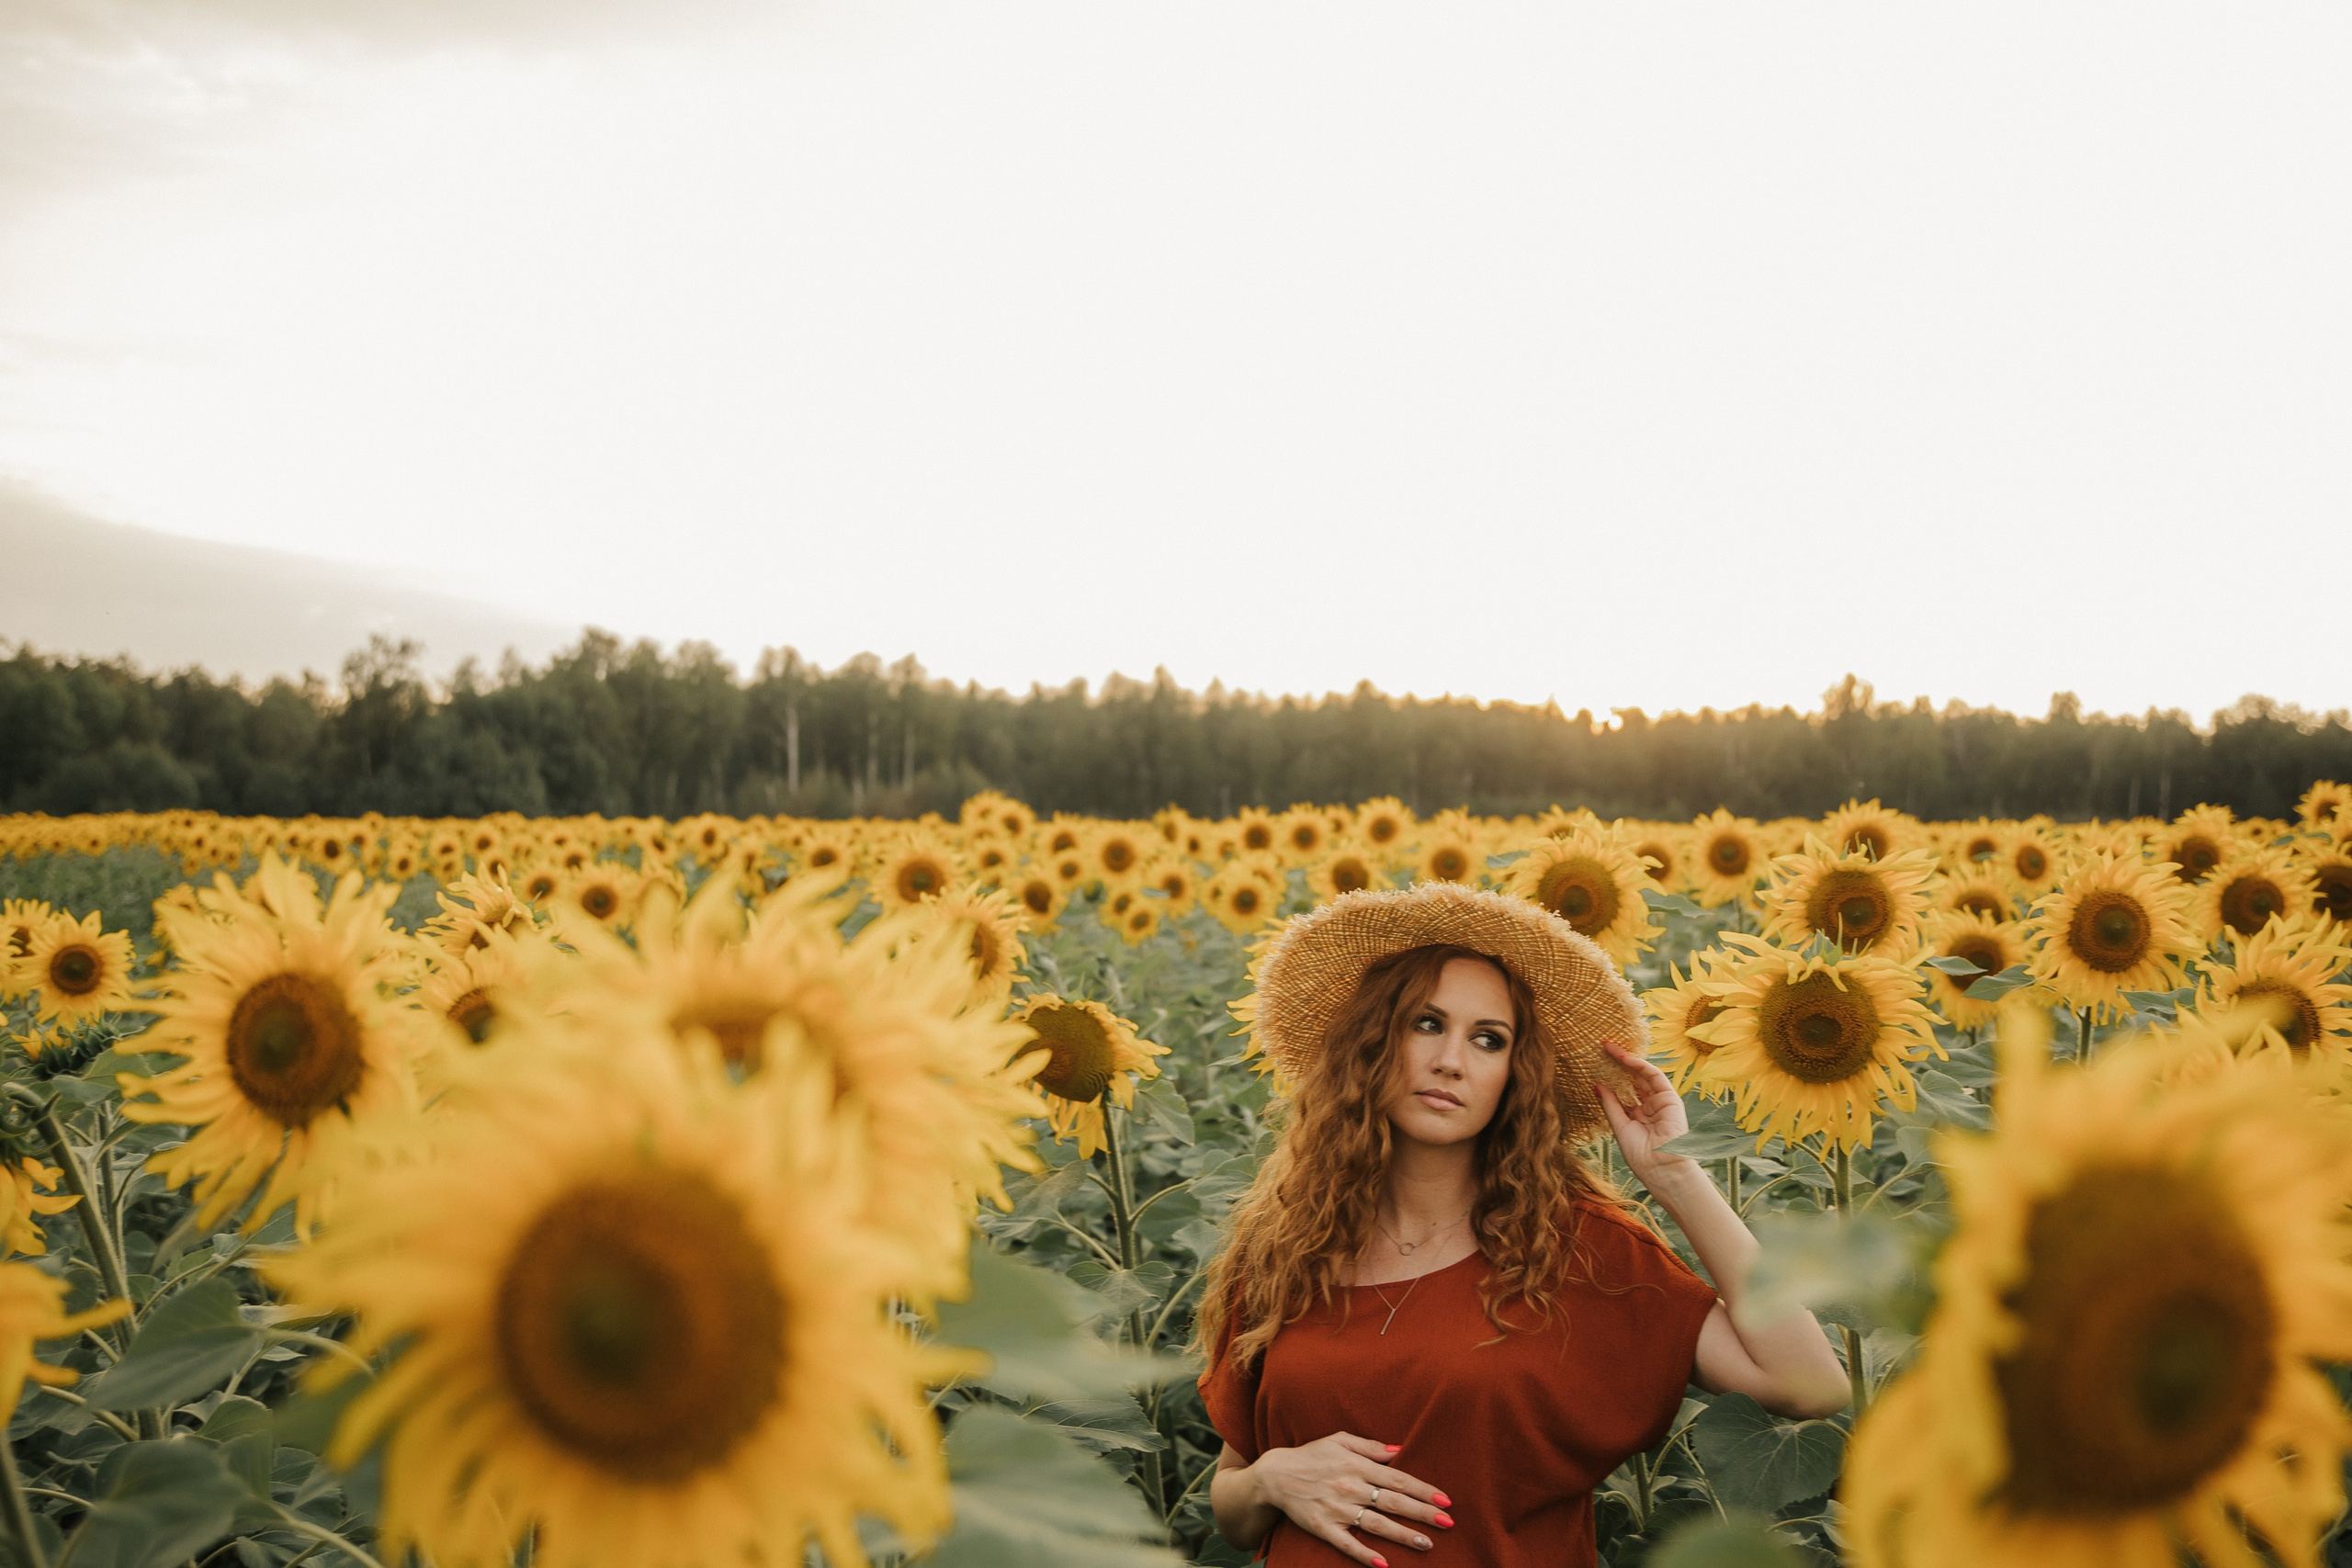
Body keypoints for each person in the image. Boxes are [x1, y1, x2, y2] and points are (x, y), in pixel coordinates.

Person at [1198, 883, 1849, 1566]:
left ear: (1515, 1074)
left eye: (1488, 1039)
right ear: (1372, 1040)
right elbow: (1234, 1504)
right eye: (1426, 1023)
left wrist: (1676, 1175)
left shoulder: (1576, 1250)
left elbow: (1810, 1385)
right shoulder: (1288, 1242)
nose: (1451, 1059)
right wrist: (1273, 1478)